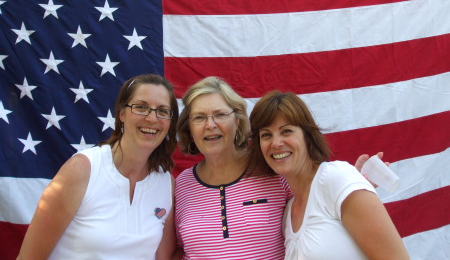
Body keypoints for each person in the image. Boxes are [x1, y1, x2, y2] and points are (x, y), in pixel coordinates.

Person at [174, 76, 381, 260]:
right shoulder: (181, 185)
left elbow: (316, 200)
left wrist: (350, 190)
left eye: (219, 114)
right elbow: (177, 251)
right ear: (189, 127)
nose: (210, 125)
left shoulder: (271, 168)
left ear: (237, 120)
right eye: (199, 117)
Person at [17, 74, 179, 260]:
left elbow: (164, 258)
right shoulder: (82, 169)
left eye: (162, 111)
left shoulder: (165, 183)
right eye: (141, 107)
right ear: (122, 114)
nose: (152, 118)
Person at [249, 91, 410, 260]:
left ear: (307, 136)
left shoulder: (336, 178)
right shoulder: (288, 214)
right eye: (266, 135)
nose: (276, 143)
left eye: (286, 131)